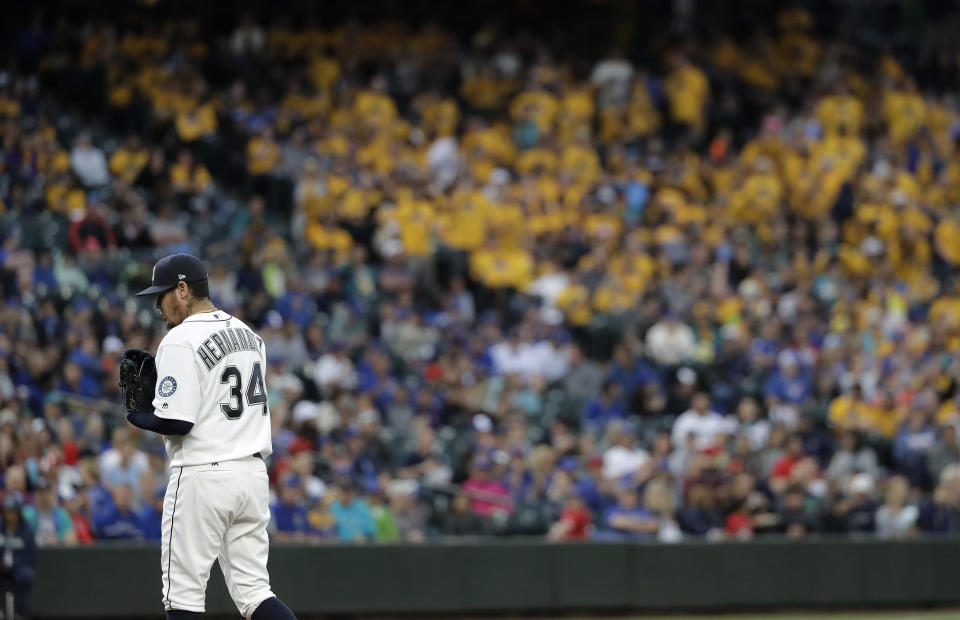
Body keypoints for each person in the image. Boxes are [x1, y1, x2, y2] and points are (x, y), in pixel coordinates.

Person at [119, 253, 296, 620]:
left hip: (203, 475)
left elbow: (179, 422)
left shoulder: (180, 339)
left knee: (182, 597)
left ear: (182, 290)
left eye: (162, 293)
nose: (158, 304)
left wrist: (140, 416)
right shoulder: (250, 335)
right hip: (251, 476)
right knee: (255, 593)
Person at [0, 494, 36, 620]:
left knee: (26, 575)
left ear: (18, 513)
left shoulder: (26, 531)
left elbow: (30, 555)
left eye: (13, 512)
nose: (10, 516)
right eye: (7, 512)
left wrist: (13, 564)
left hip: (19, 567)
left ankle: (21, 612)